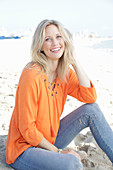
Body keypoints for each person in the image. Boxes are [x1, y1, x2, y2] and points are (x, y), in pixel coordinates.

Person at [6, 19, 113, 170]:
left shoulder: (65, 72)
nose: (55, 43)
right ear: (40, 46)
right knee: (72, 163)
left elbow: (90, 97)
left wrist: (74, 60)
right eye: (47, 39)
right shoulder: (32, 74)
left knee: (92, 110)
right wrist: (60, 152)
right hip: (25, 149)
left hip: (50, 139)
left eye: (58, 37)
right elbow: (27, 129)